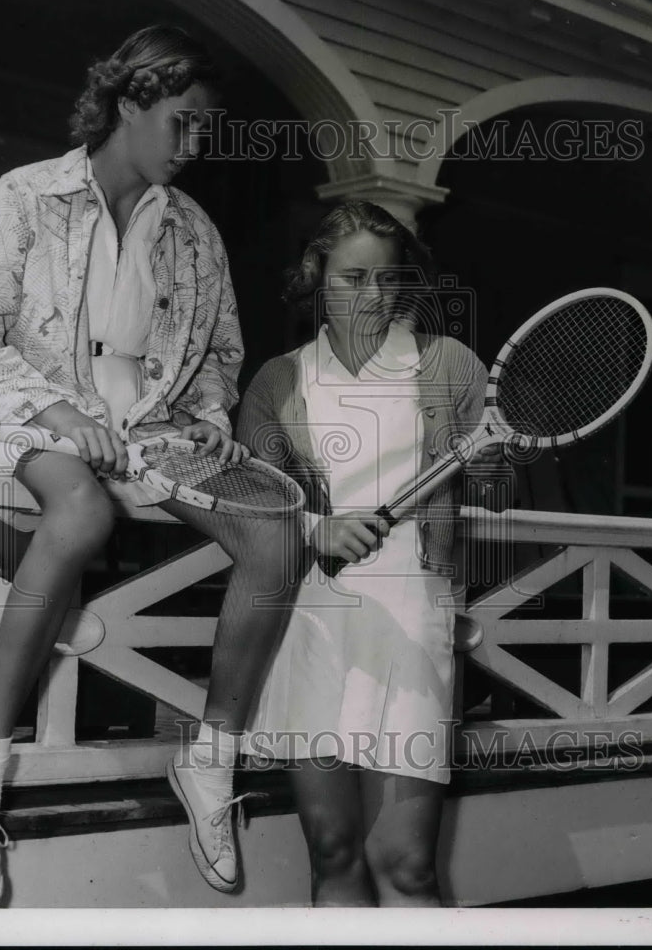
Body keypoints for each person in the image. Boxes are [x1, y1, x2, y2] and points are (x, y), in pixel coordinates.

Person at [0, 24, 302, 908]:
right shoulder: (23, 197)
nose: (194, 144)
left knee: (276, 538)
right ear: (130, 101)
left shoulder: (195, 231)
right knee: (81, 516)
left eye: (204, 130)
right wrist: (61, 412)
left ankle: (209, 764)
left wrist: (214, 416)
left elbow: (220, 350)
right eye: (182, 122)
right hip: (41, 416)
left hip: (161, 432)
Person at [236, 200, 511, 907]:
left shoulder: (447, 363)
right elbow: (246, 507)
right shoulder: (277, 379)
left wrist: (491, 461)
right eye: (353, 277)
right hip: (310, 624)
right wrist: (312, 531)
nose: (373, 296)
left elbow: (500, 491)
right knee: (332, 853)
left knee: (409, 865)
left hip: (413, 617)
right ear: (316, 275)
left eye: (388, 280)